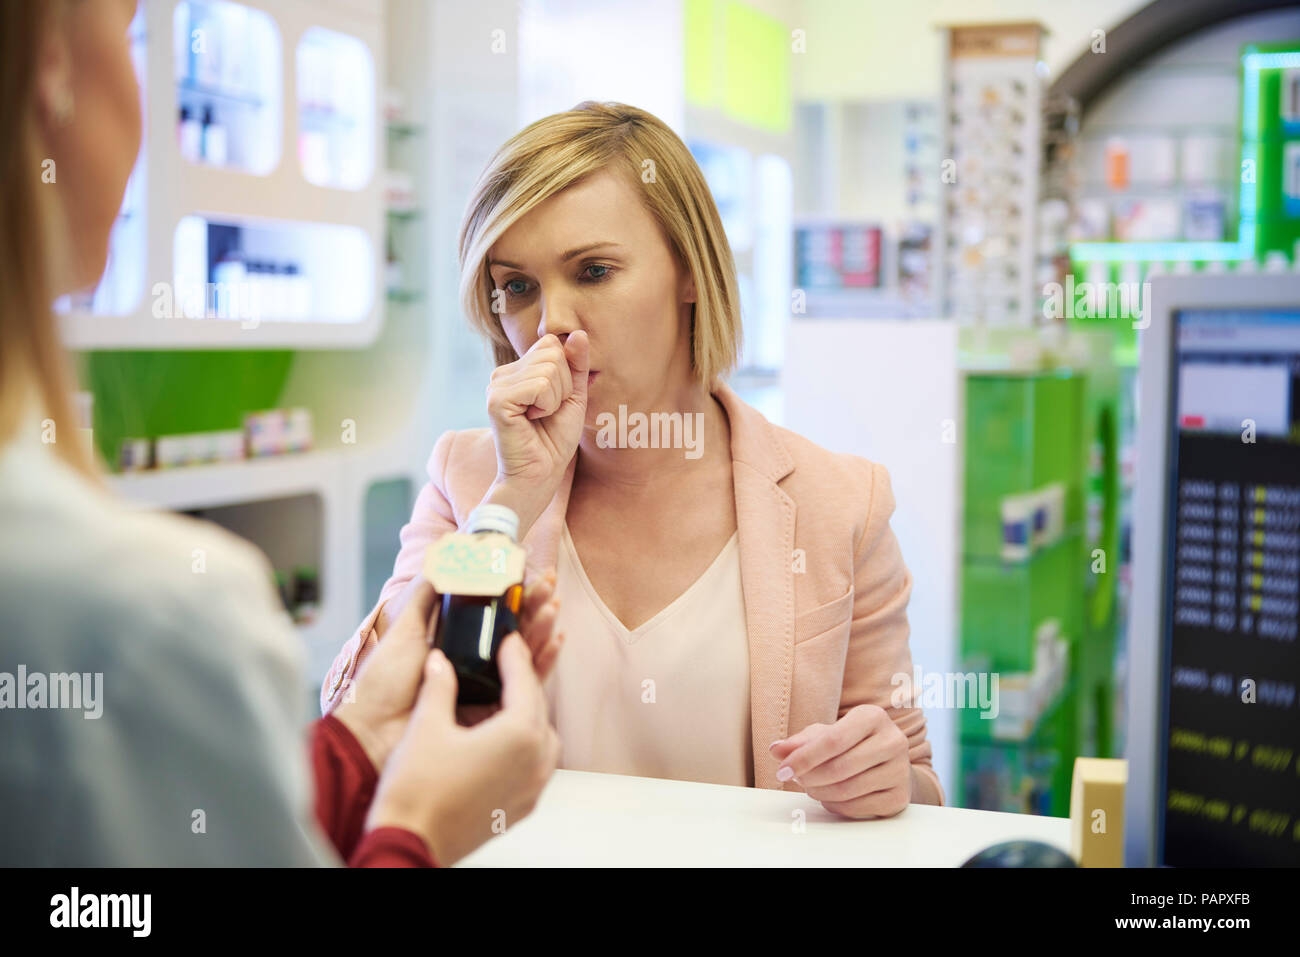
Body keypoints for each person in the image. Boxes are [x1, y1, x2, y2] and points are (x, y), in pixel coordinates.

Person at [0, 0, 559, 867]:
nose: (554, 321)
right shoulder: (158, 616)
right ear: (52, 77)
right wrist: (416, 828)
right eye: (125, 33)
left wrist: (362, 736)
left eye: (597, 269)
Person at [323, 101, 945, 817]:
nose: (550, 321)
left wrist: (885, 779)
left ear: (690, 271)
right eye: (518, 286)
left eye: (592, 271)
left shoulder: (840, 502)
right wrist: (514, 497)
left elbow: (919, 784)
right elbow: (364, 721)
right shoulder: (472, 482)